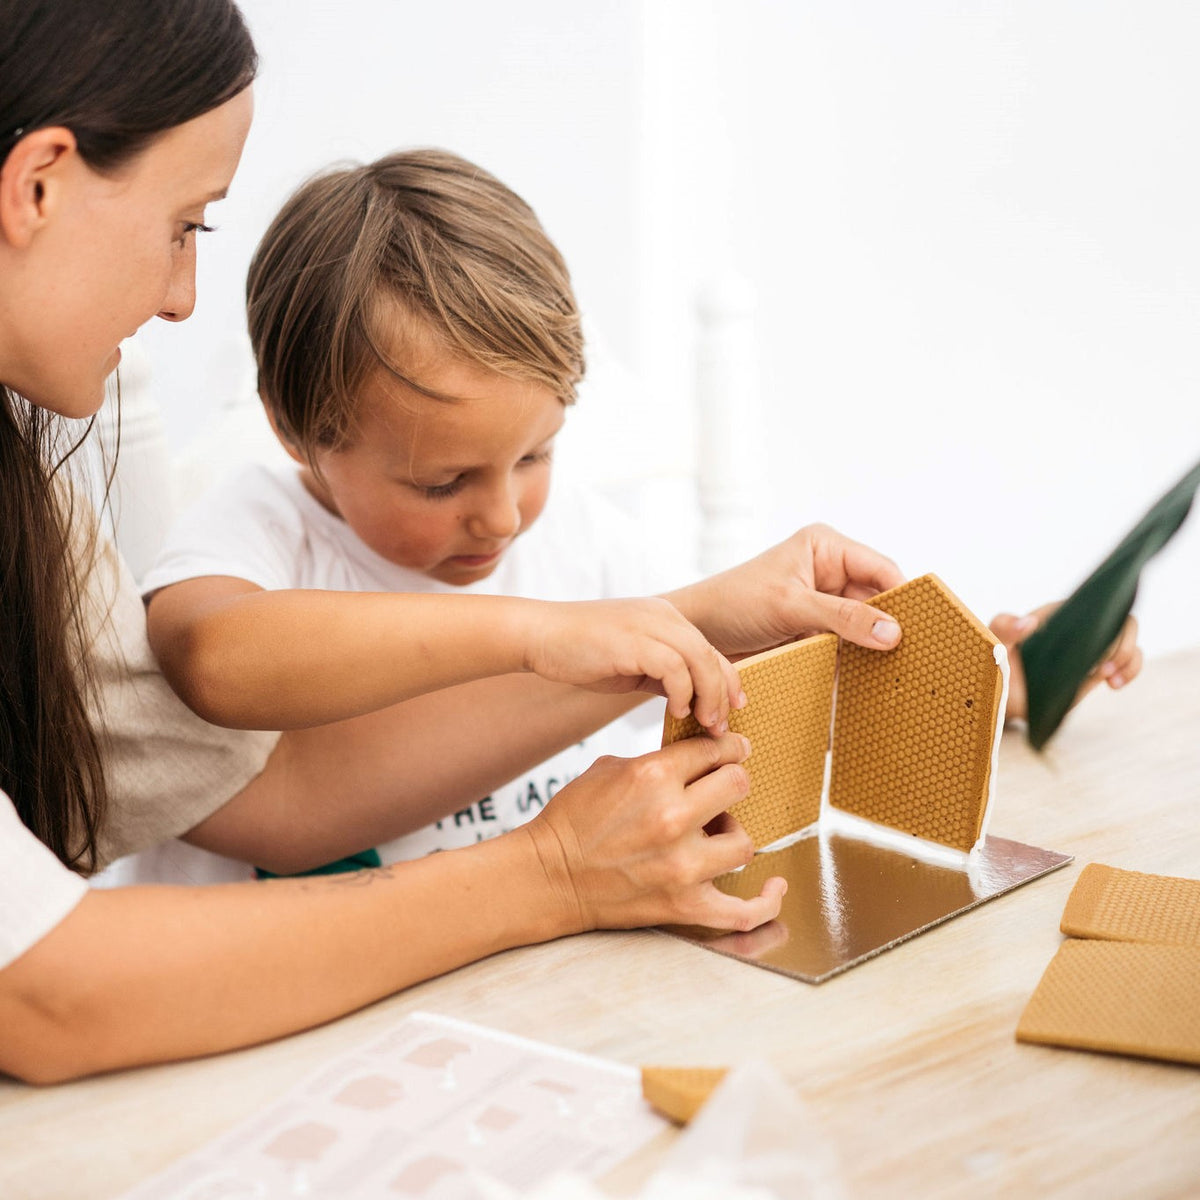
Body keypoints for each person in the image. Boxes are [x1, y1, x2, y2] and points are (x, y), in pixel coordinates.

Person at [0, 0, 918, 1084]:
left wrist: (915, 664)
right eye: (186, 223)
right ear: (39, 183)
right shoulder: (252, 530)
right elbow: (45, 989)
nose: (181, 296)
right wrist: (552, 840)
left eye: (533, 458)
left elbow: (269, 797)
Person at [141, 148, 1144, 883]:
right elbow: (216, 655)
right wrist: (545, 636)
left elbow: (759, 699)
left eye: (533, 454)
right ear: (295, 430)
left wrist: (990, 676)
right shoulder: (259, 533)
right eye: (442, 484)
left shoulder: (581, 537)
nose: (501, 517)